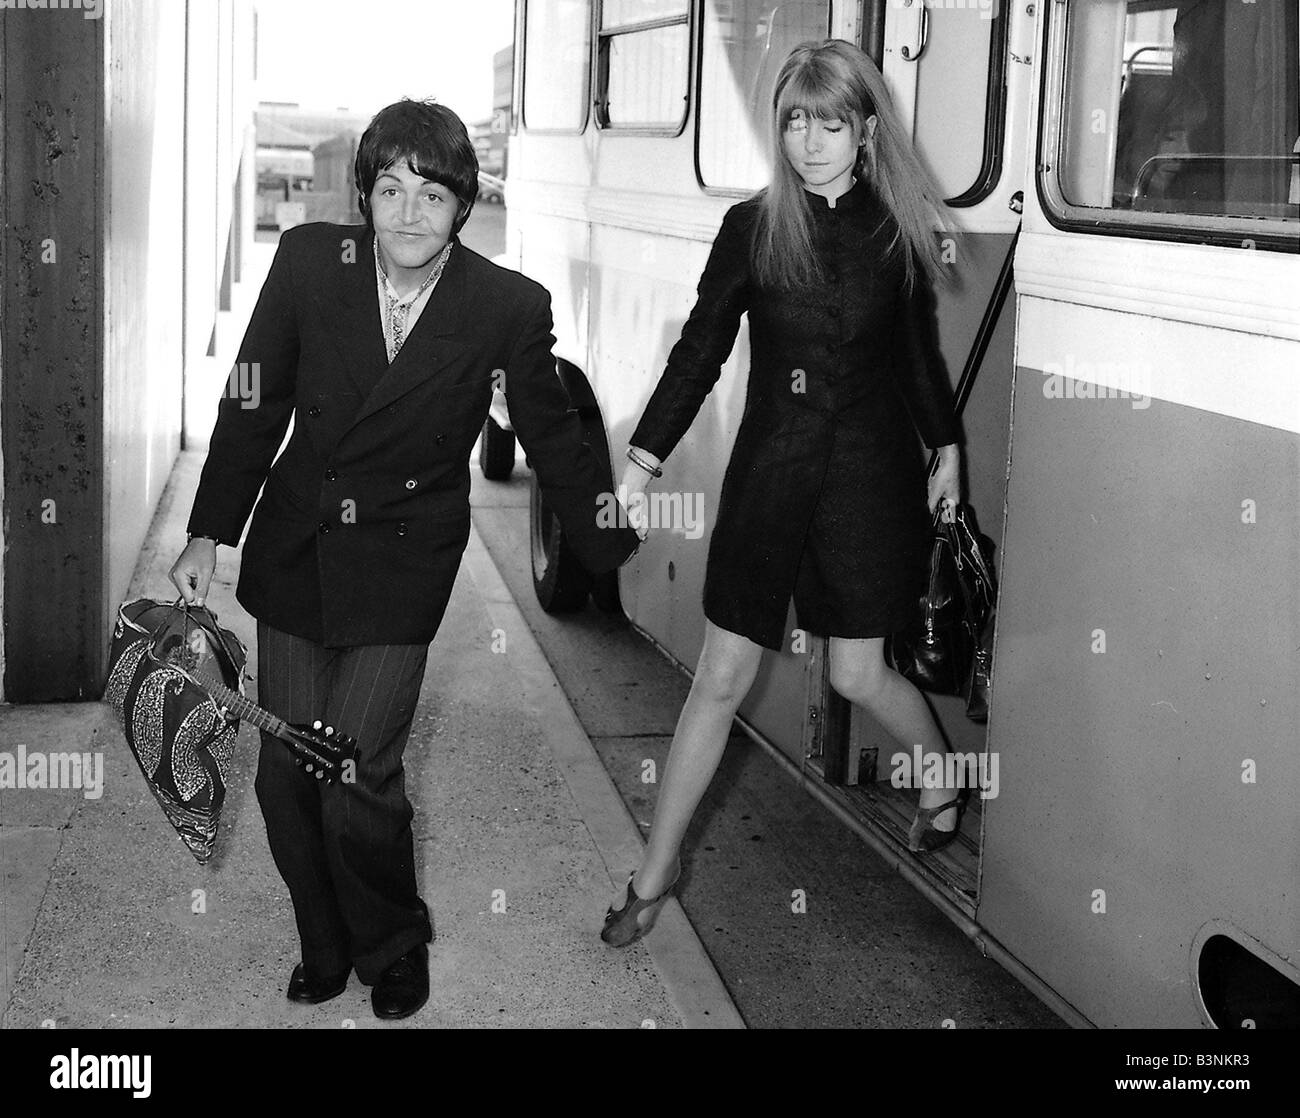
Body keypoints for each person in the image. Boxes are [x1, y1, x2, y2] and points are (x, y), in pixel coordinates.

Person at [170, 99, 639, 1017]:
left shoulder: (506, 305)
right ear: (365, 196)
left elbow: (554, 432)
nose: (410, 212)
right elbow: (254, 399)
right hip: (300, 551)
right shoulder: (311, 263)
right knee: (284, 773)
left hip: (401, 564)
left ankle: (394, 941)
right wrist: (207, 530)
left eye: (433, 193)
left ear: (463, 205)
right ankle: (325, 942)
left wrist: (604, 541)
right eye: (391, 190)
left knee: (355, 770)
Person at [603, 40, 964, 948]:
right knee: (718, 680)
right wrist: (641, 463)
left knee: (856, 670)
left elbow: (917, 361)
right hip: (771, 478)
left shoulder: (898, 232)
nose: (810, 140)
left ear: (866, 129)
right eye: (796, 120)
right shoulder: (752, 228)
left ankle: (943, 777)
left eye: (830, 121)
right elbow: (699, 352)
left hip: (869, 485)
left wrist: (948, 450)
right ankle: (657, 869)